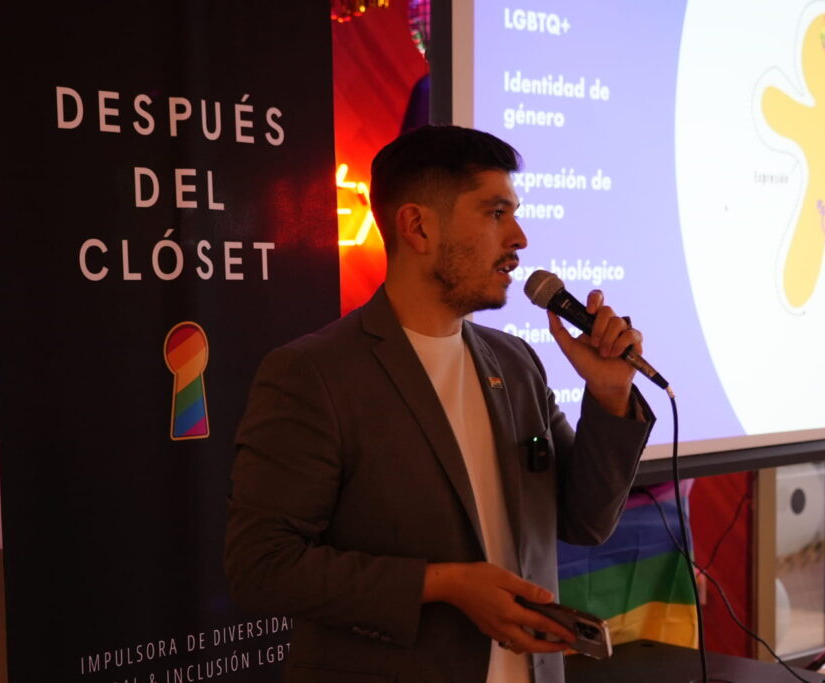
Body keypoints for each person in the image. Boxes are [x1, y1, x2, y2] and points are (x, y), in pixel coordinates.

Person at [225, 125, 655, 683]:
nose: (520, 238)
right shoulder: (313, 374)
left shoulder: (515, 362)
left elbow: (584, 521)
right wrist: (446, 584)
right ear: (418, 226)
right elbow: (262, 569)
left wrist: (610, 392)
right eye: (495, 213)